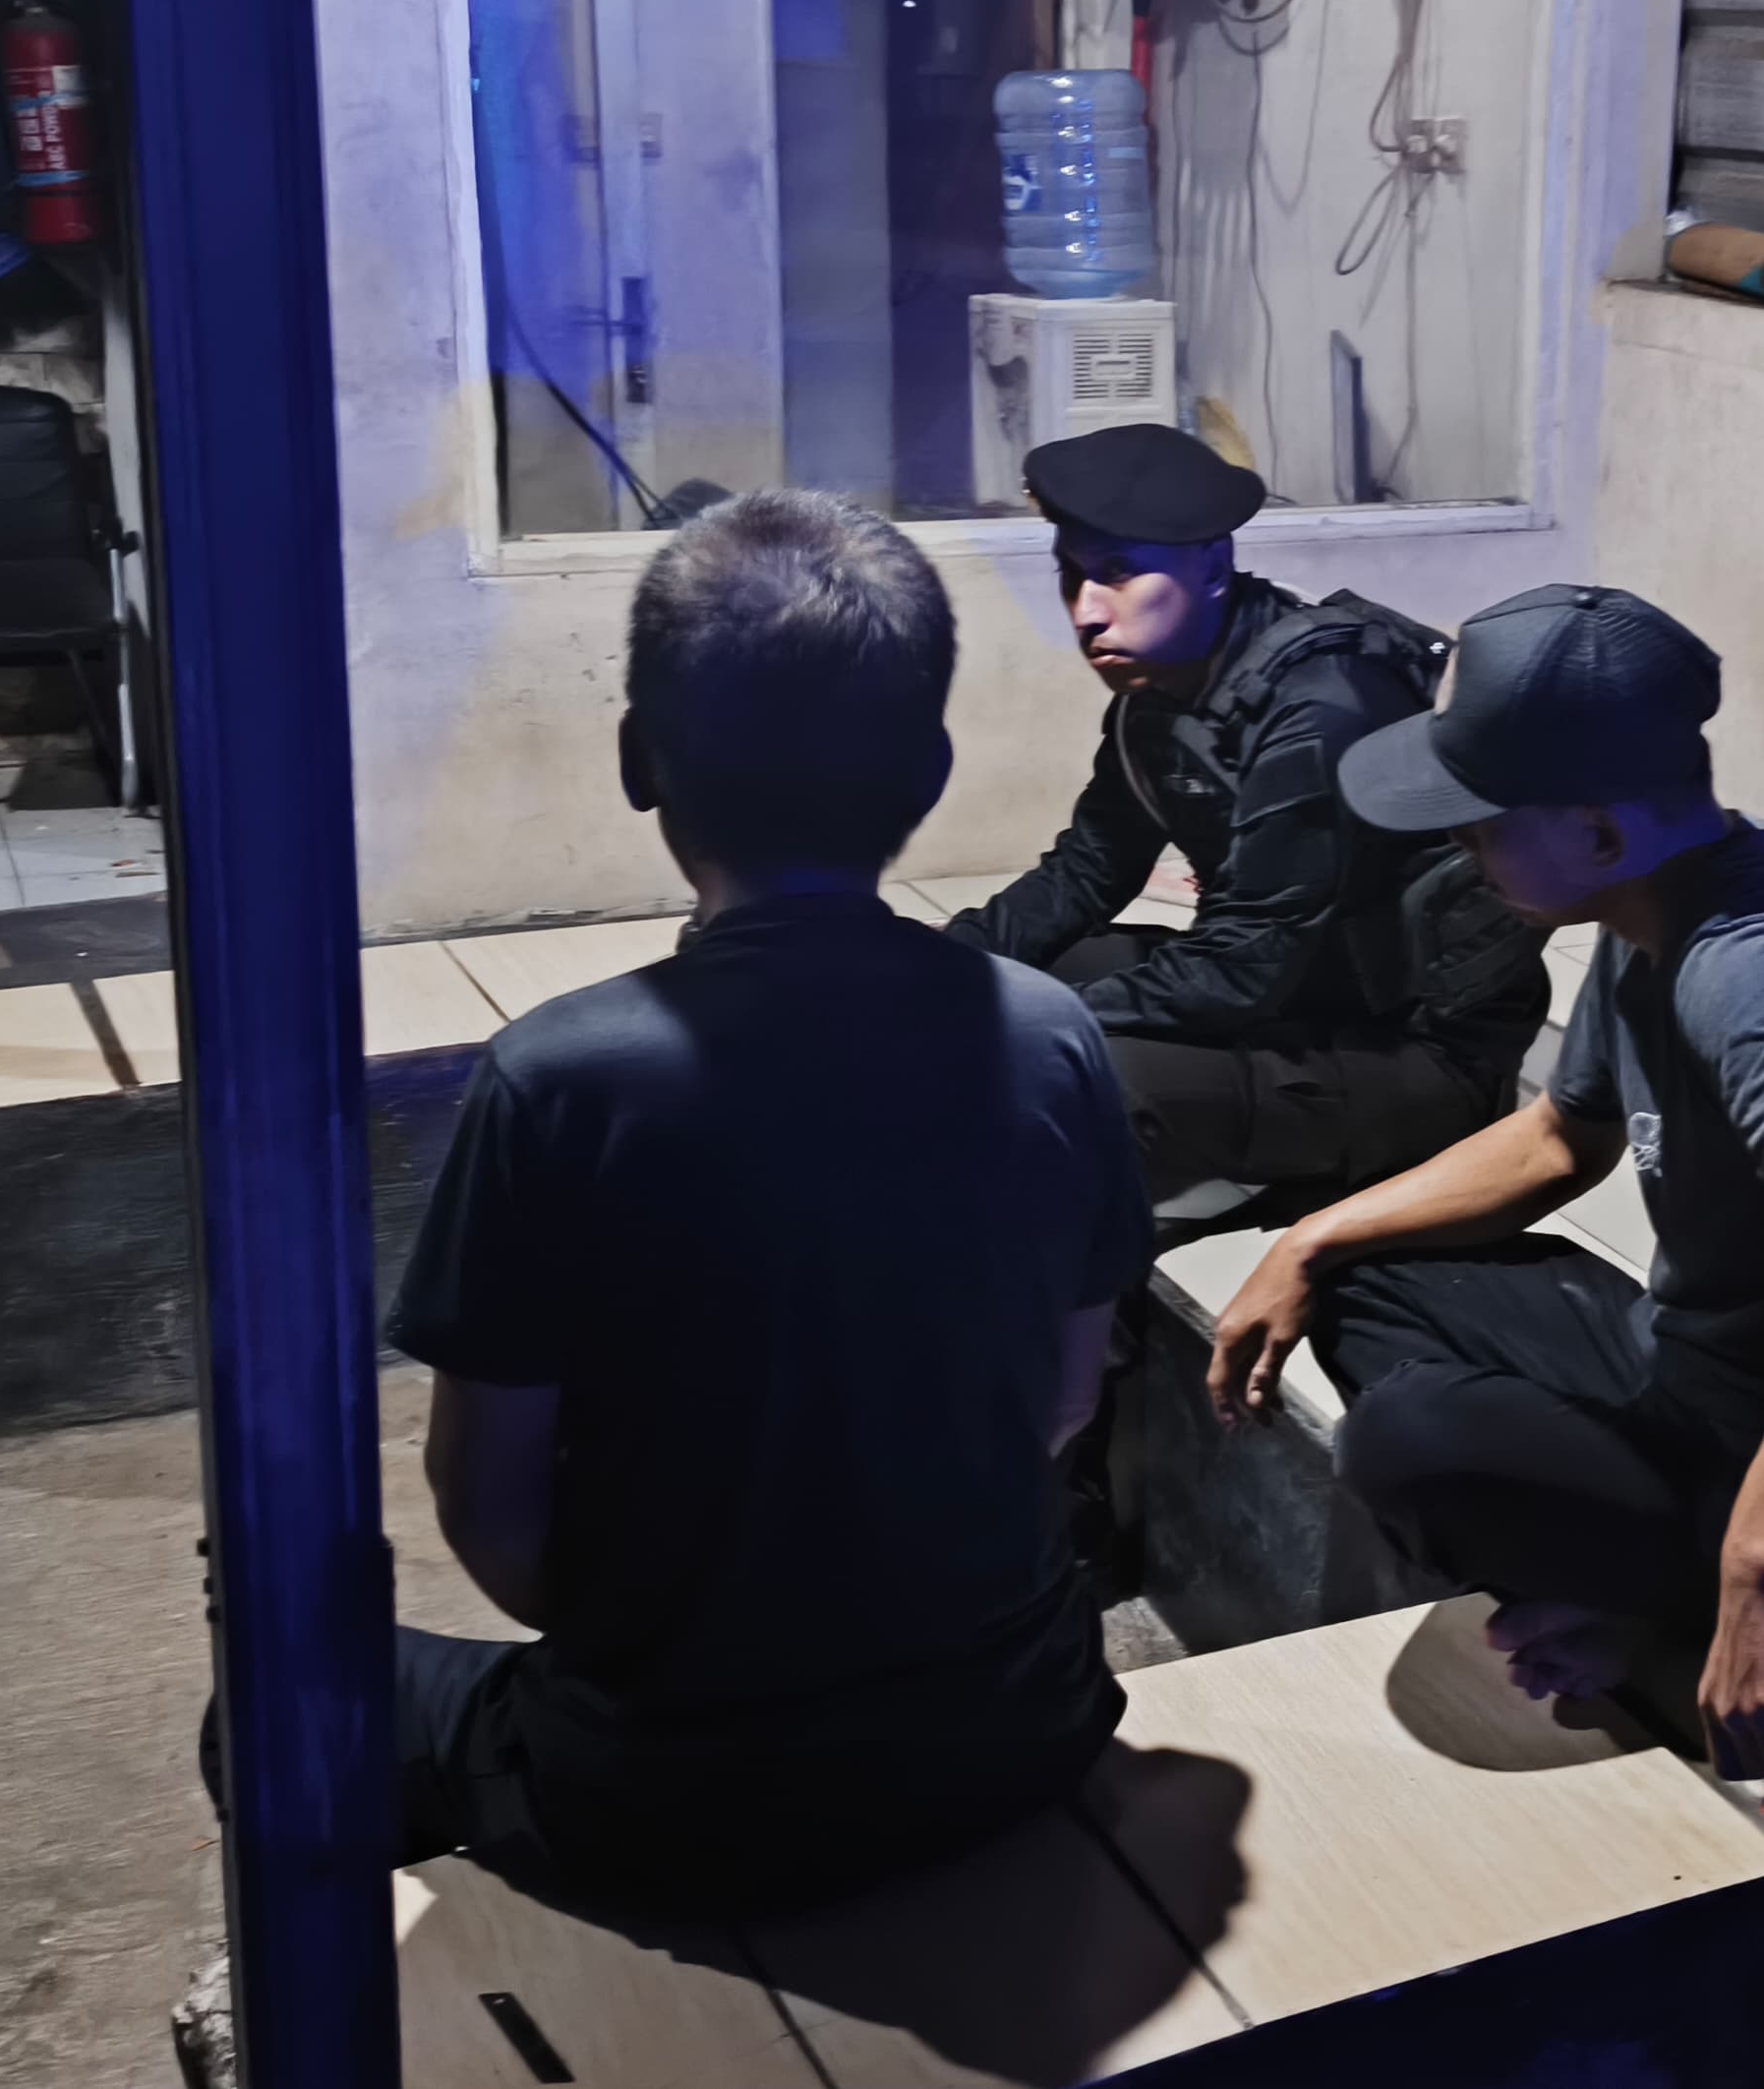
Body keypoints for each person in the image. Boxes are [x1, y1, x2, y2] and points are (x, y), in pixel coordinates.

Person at [331, 489, 1153, 1912]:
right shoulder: (1049, 1034)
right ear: (931, 768)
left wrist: (674, 1636)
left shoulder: (557, 1078)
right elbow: (1065, 1398)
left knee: (270, 1709)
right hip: (1022, 1725)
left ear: (638, 758)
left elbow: (487, 1502)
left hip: (673, 1784)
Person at [1200, 585, 1764, 1787]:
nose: (1459, 848)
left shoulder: (1744, 960)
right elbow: (1562, 1138)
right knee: (1358, 1274)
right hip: (1677, 1360)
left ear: (1602, 835)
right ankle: (1616, 1584)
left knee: (1406, 1441)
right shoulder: (1651, 899)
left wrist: (1758, 1568)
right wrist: (1310, 1237)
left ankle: (1675, 1595)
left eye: (1480, 823)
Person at [947, 422, 1546, 1217]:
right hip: (1309, 994)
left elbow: (1239, 970)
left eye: (1118, 573)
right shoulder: (1162, 691)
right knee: (1023, 975)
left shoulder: (1321, 709)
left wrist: (1034, 1022)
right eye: (1072, 574)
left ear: (1212, 567)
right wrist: (935, 969)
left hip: (1419, 1053)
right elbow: (1088, 867)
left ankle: (1078, 1292)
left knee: (1088, 1075)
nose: (1086, 611)